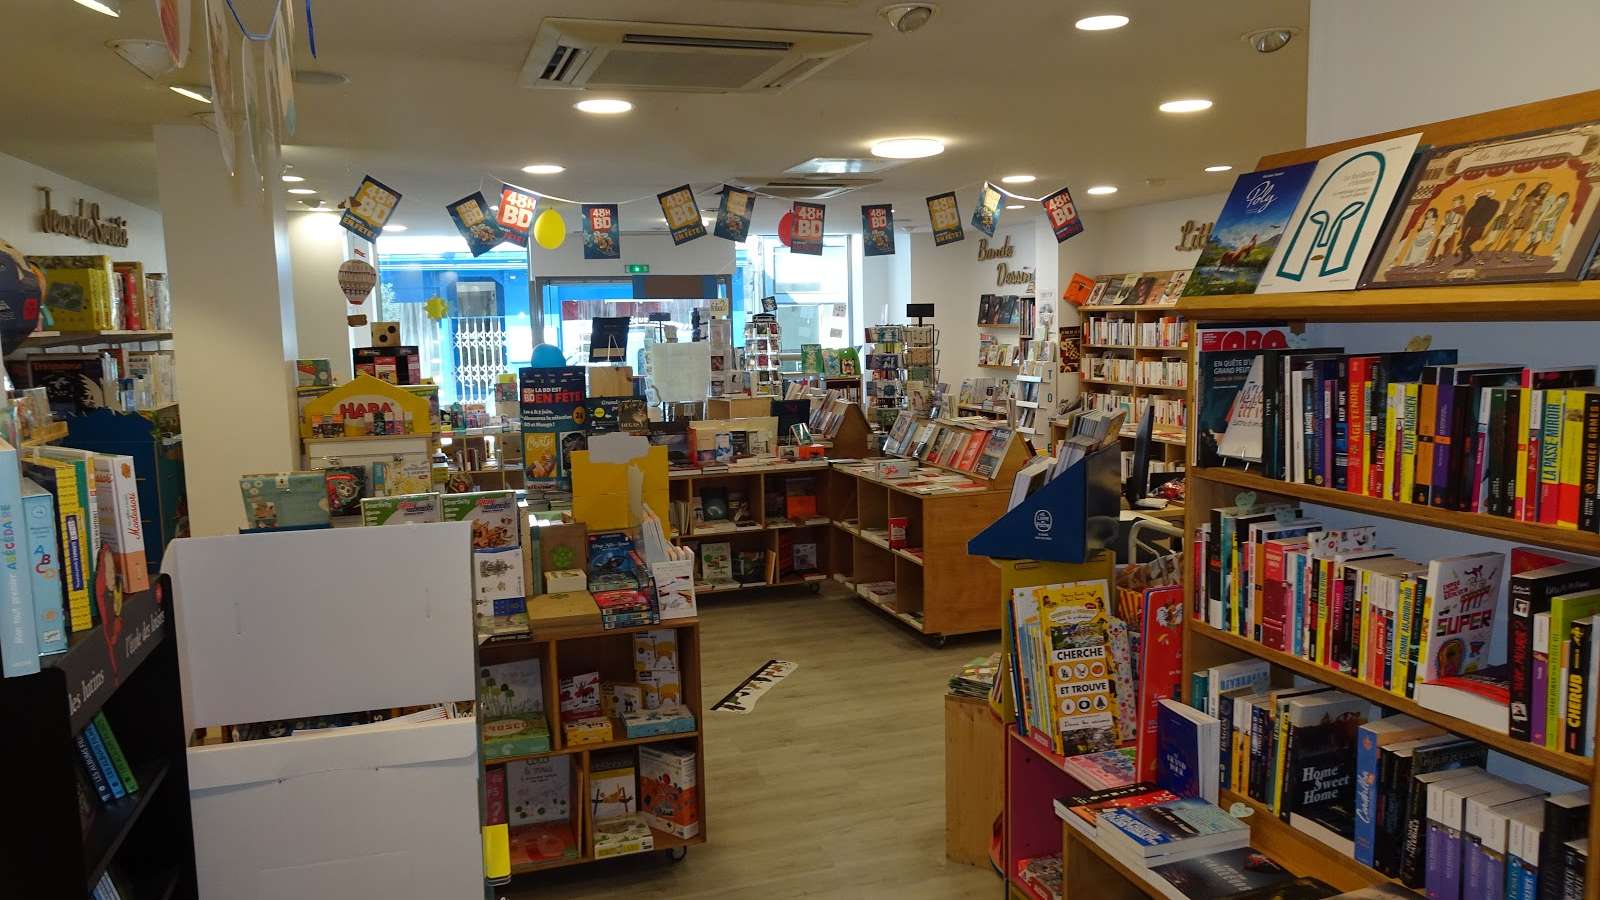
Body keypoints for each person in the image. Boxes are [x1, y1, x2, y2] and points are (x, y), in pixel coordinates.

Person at [1495, 181, 1552, 256]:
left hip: (1528, 220)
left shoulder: (1541, 201)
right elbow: (1521, 207)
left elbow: (1536, 212)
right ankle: (1506, 255)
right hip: (1521, 219)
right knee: (1515, 238)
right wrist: (1514, 218)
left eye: (1547, 189)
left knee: (1515, 237)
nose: (1545, 189)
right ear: (1539, 187)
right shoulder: (1530, 197)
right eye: (1544, 187)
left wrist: (1535, 218)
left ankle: (1501, 251)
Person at [1522, 191, 1571, 259]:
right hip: (1542, 223)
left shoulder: (1558, 208)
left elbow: (1554, 217)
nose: (1562, 200)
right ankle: (1528, 254)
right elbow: (1543, 214)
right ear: (1559, 197)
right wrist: (1537, 223)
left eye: (1564, 200)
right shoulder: (1552, 204)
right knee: (1537, 239)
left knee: (1538, 240)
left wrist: (1550, 220)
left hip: (1547, 225)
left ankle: (1526, 253)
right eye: (1562, 198)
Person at [1457, 190, 1501, 263]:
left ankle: (1464, 259)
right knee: (1466, 244)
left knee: (1465, 244)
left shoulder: (1488, 207)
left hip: (1478, 229)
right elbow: (1466, 222)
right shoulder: (1481, 208)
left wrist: (1462, 236)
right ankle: (1469, 255)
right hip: (1475, 229)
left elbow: (1467, 222)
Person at [1482, 182, 1527, 250]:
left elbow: (1515, 210)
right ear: (1516, 188)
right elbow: (1502, 206)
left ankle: (1486, 248)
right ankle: (1484, 248)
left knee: (1497, 236)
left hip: (1506, 218)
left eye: (1522, 189)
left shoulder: (1519, 200)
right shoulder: (1509, 197)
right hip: (1500, 217)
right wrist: (1500, 214)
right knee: (1493, 234)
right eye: (1519, 189)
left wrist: (1511, 216)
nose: (1520, 191)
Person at [1432, 195, 1467, 262]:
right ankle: (1440, 256)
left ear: (1460, 203)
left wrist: (1457, 228)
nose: (1454, 204)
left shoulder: (1460, 210)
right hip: (1447, 227)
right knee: (1442, 242)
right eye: (1454, 202)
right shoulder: (1450, 211)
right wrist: (1443, 221)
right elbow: (1446, 220)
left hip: (1452, 228)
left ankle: (1435, 257)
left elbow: (1461, 220)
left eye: (1456, 202)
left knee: (1442, 242)